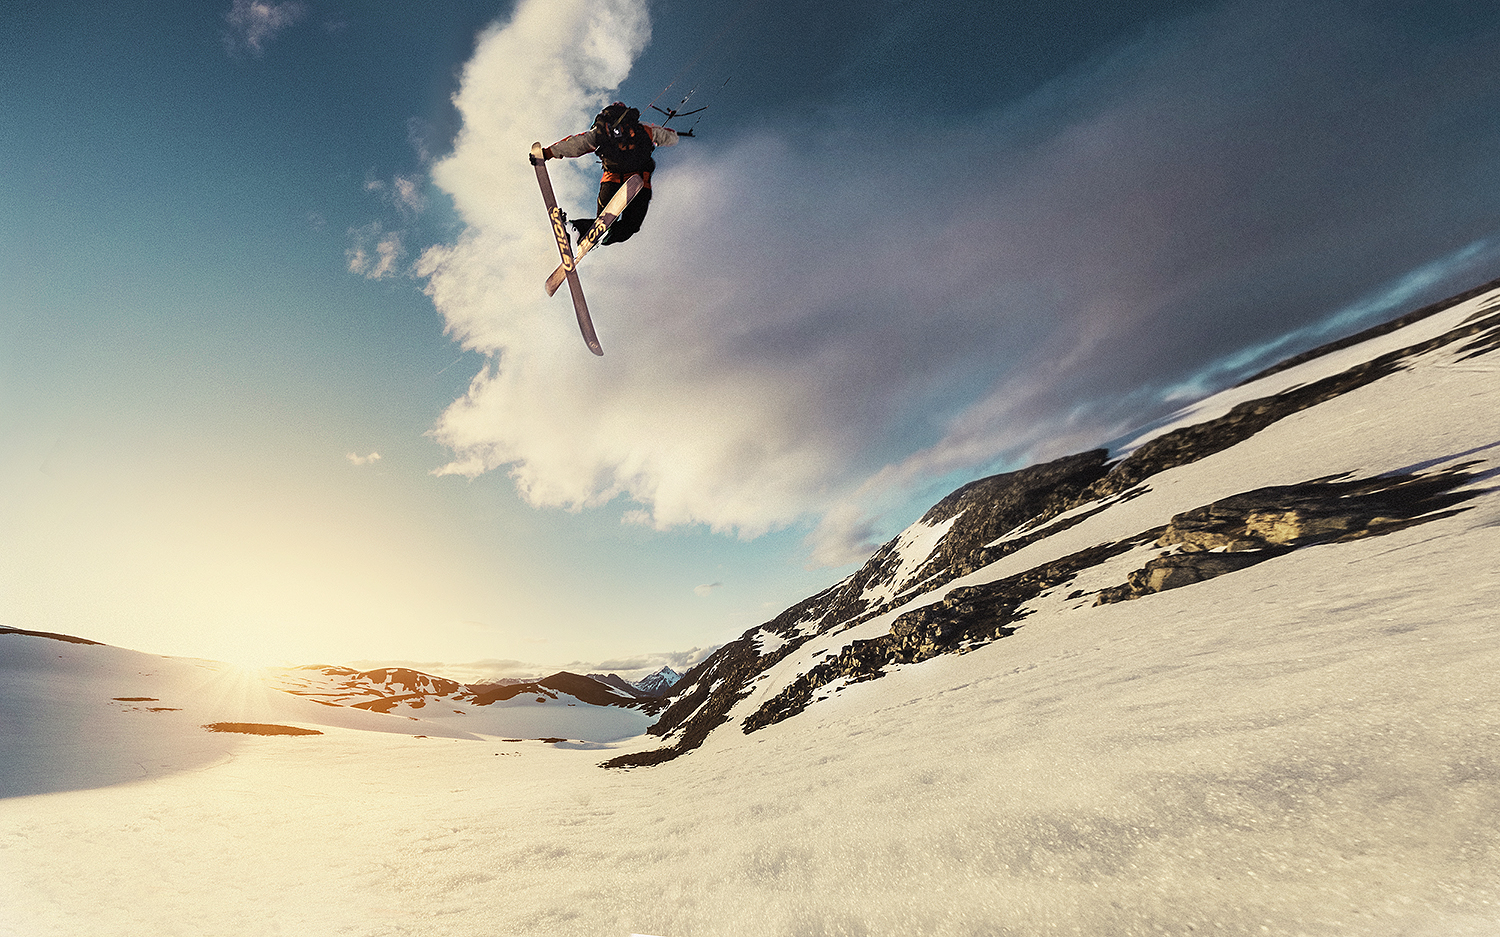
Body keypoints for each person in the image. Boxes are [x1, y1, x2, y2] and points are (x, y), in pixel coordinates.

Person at [536, 102, 679, 245]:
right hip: (640, 181)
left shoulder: (601, 131)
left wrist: (548, 153)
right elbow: (672, 138)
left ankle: (576, 229)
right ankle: (598, 236)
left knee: (602, 223)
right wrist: (662, 136)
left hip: (612, 180)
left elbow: (577, 143)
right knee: (630, 226)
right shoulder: (643, 128)